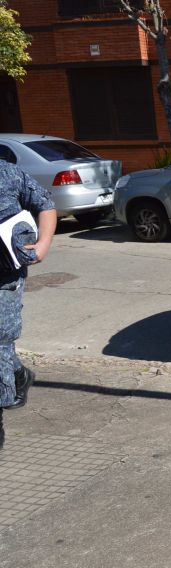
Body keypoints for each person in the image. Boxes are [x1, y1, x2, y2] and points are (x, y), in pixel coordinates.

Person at [0, 161, 56, 451]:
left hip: (5, 275)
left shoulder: (6, 173)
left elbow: (45, 204)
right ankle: (19, 374)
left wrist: (43, 245)